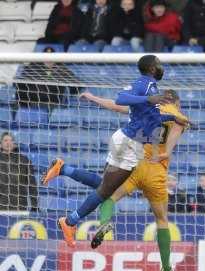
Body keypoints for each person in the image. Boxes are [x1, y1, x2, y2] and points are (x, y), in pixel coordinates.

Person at [42, 89, 188, 271]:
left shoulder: (146, 106)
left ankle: (93, 215)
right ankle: (167, 268)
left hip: (133, 163)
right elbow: (174, 136)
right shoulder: (179, 117)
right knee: (161, 219)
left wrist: (93, 97)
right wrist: (165, 152)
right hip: (156, 172)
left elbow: (115, 105)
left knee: (107, 194)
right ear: (176, 103)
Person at [42, 55, 178, 249]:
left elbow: (150, 116)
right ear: (151, 67)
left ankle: (64, 169)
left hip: (126, 141)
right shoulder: (145, 85)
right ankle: (69, 221)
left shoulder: (152, 88)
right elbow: (121, 99)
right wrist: (149, 98)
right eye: (158, 63)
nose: (161, 66)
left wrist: (172, 117)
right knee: (106, 190)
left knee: (106, 187)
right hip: (129, 144)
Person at [14, 46, 81, 110]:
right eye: (46, 56)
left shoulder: (62, 69)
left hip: (53, 103)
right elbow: (21, 81)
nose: (48, 59)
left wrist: (81, 92)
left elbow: (76, 83)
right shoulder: (33, 68)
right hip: (33, 102)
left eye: (51, 56)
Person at [0, 132, 38, 211]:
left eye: (11, 140)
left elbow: (32, 184)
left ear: (14, 144)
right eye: (5, 140)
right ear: (0, 144)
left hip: (19, 206)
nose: (8, 143)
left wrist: (34, 206)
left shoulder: (24, 160)